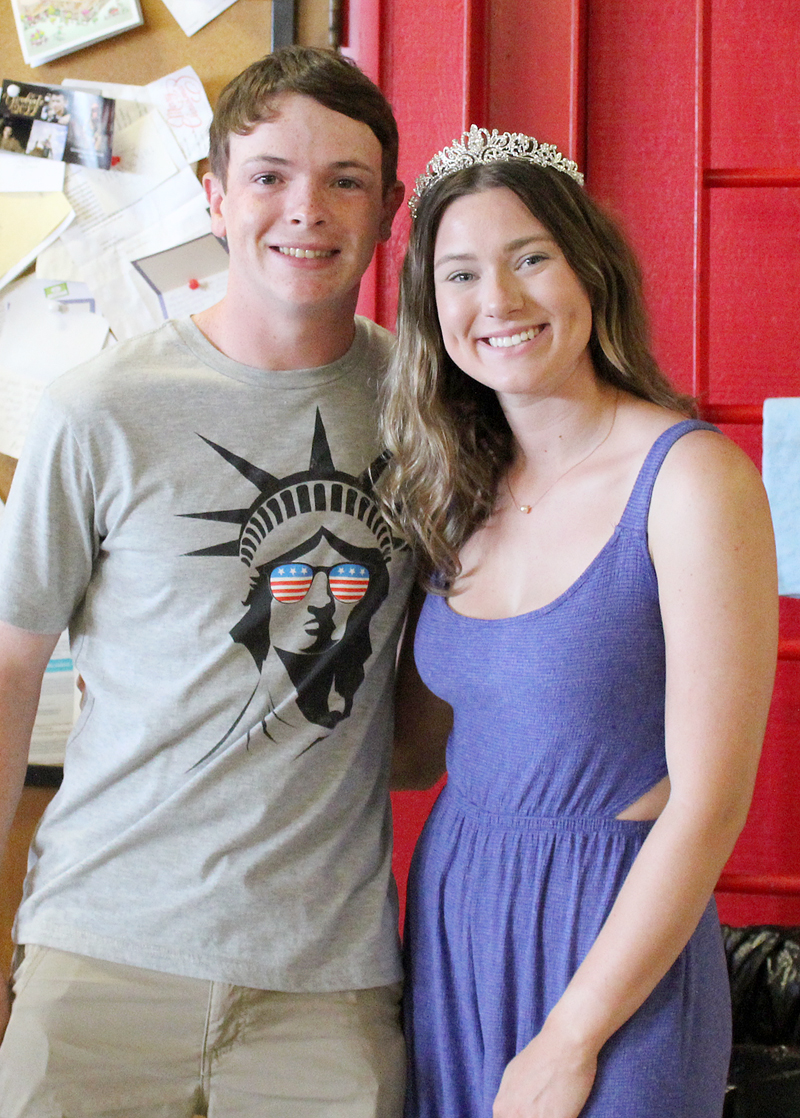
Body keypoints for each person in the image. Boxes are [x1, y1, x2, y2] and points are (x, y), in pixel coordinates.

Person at [0, 46, 411, 1117]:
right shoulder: (98, 408)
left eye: (344, 180)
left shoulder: (433, 414)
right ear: (212, 194)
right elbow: (8, 666)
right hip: (100, 957)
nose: (304, 210)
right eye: (269, 174)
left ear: (388, 208)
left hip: (326, 983)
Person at [378, 127, 778, 1118]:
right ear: (433, 312)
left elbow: (707, 802)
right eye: (460, 273)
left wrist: (570, 1037)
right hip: (454, 918)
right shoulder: (453, 489)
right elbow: (411, 755)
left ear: (587, 271)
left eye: (529, 259)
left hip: (611, 945)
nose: (498, 302)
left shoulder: (690, 481)